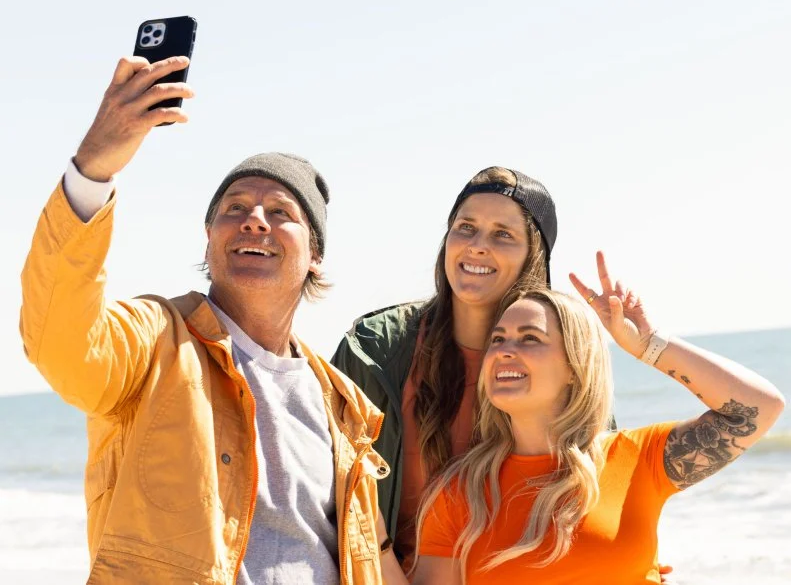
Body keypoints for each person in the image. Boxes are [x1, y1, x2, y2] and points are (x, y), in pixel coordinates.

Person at [19, 55, 391, 584]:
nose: (253, 220)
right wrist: (93, 171)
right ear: (210, 238)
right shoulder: (154, 343)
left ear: (315, 255)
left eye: (281, 212)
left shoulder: (343, 406)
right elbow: (61, 341)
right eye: (233, 208)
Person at [411, 252, 785, 584]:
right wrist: (373, 536)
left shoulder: (637, 456)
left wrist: (649, 343)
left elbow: (757, 409)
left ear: (575, 366)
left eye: (529, 338)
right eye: (498, 339)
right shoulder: (463, 491)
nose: (505, 351)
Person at [331, 166, 558, 567]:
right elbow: (323, 484)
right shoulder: (377, 349)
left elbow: (600, 482)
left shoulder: (562, 357)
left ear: (533, 256)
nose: (477, 246)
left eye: (503, 234)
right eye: (465, 227)